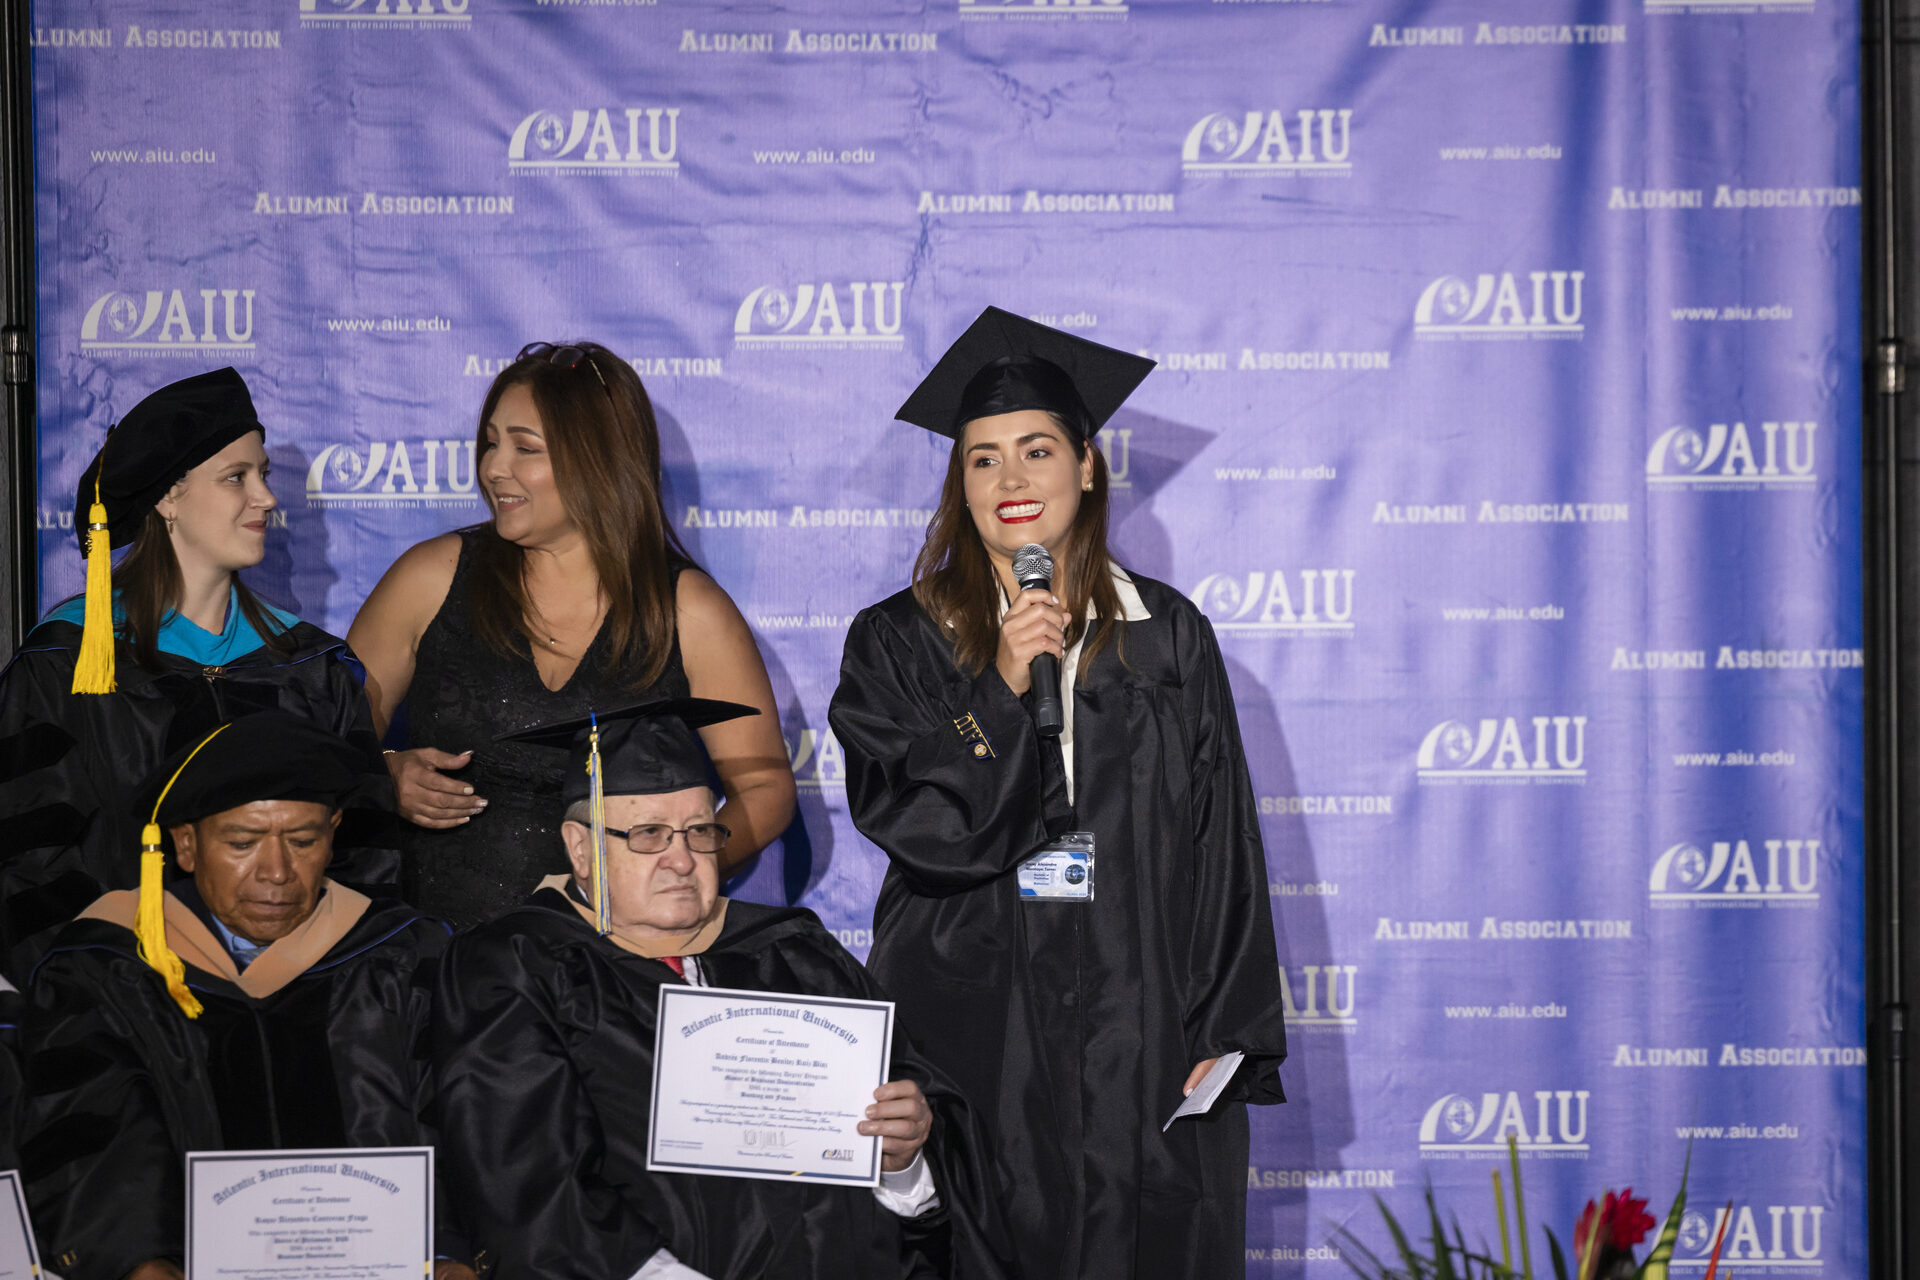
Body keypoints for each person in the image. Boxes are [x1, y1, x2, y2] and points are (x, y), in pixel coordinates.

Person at [828, 308, 1289, 1280]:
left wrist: (1224, 1032)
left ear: (1087, 465)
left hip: (1139, 1017)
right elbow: (922, 828)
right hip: (973, 1022)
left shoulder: (1167, 634)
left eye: (1036, 450)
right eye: (983, 459)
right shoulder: (896, 641)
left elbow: (1222, 843)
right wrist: (999, 685)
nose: (1011, 480)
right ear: (959, 484)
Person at [429, 699, 1017, 1279]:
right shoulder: (514, 970)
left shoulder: (797, 955)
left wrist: (903, 1163)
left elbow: (926, 1197)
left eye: (700, 831)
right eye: (650, 834)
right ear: (580, 849)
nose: (682, 860)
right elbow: (527, 1189)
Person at [347, 341, 795, 927]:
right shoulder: (428, 578)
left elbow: (765, 786)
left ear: (597, 460)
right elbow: (322, 742)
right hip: (439, 956)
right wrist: (383, 772)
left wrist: (677, 877)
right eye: (491, 443)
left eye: (525, 448)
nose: (493, 468)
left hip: (614, 962)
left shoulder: (689, 610)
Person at [15, 711, 464, 1280]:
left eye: (303, 840)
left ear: (333, 834)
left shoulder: (403, 955)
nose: (276, 872)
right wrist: (140, 1262)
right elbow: (93, 1133)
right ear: (185, 844)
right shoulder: (105, 967)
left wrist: (447, 1253)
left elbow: (455, 1122)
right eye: (243, 842)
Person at [0, 367, 394, 979]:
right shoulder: (65, 665)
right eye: (237, 477)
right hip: (119, 997)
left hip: (292, 997)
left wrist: (290, 984)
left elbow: (362, 859)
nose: (266, 497)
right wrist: (119, 985)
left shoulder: (312, 668)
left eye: (263, 474)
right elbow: (29, 866)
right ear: (167, 498)